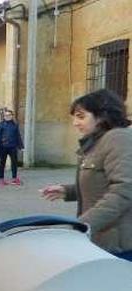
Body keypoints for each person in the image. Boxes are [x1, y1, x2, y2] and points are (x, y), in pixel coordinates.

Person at [41, 88, 132, 260]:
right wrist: (68, 191)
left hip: (119, 245)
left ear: (102, 116)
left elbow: (123, 191)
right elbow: (102, 182)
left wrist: (82, 225)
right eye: (74, 117)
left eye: (81, 116)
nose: (75, 123)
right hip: (101, 239)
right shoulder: (97, 142)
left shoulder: (118, 138)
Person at [0, 109, 24, 186]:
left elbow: (18, 136)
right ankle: (1, 179)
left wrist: (21, 146)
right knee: (2, 163)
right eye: (6, 115)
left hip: (13, 147)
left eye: (9, 115)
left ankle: (14, 178)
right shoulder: (1, 124)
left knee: (14, 162)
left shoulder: (15, 125)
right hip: (3, 147)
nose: (7, 117)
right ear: (4, 116)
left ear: (12, 116)